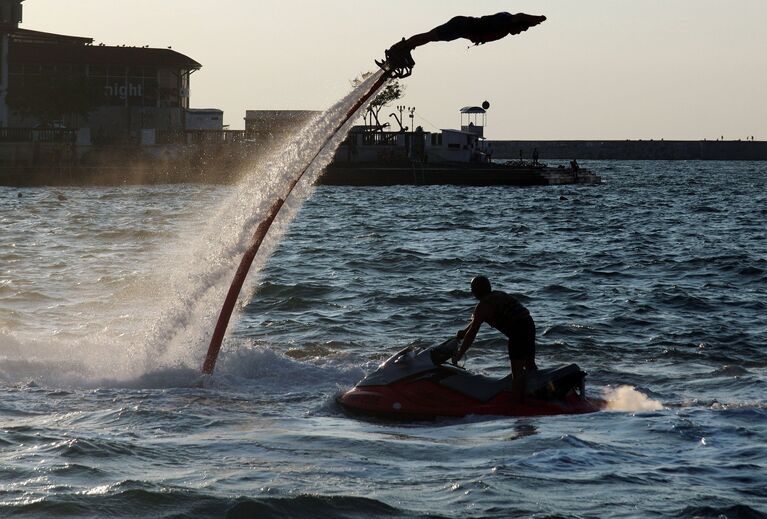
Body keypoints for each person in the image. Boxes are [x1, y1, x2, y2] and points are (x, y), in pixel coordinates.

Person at [452, 276, 538, 400]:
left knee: (517, 373)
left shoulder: (483, 306)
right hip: (529, 324)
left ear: (475, 291)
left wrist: (460, 354)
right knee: (530, 365)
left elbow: (472, 333)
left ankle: (517, 403)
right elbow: (477, 322)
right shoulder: (498, 295)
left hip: (518, 331)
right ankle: (537, 392)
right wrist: (464, 332)